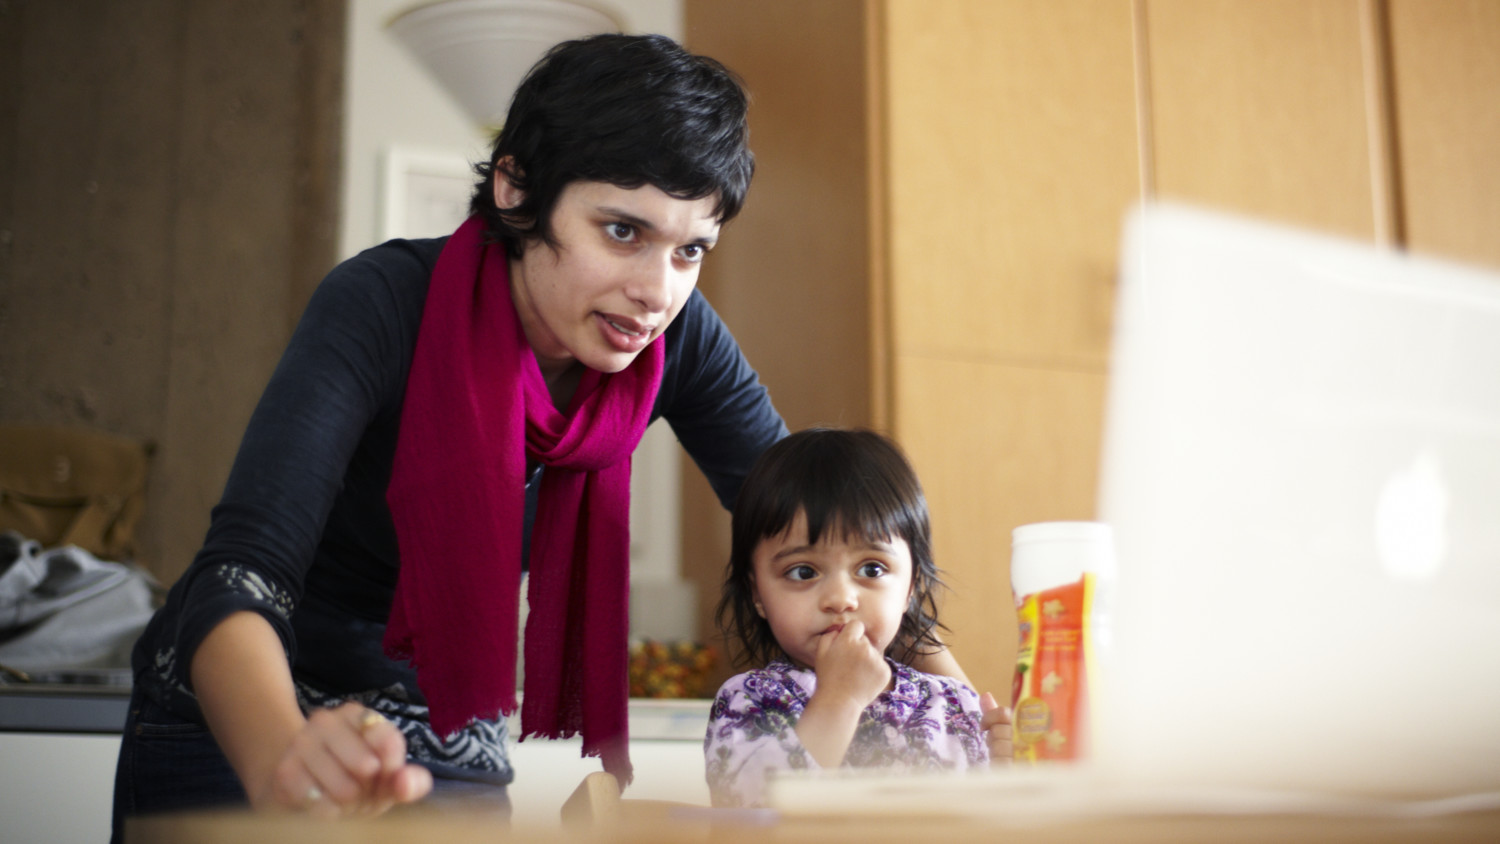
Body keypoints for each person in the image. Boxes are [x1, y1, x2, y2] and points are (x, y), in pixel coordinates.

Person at [110, 33, 789, 839]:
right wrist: (284, 757)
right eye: (621, 232)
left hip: (445, 722)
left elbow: (822, 521)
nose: (656, 290)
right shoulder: (382, 303)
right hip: (249, 715)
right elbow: (240, 572)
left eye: (690, 250)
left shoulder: (677, 338)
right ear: (515, 189)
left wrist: (958, 709)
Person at [704, 428, 1013, 808]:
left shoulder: (951, 703)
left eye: (871, 569)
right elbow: (753, 816)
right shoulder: (750, 701)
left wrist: (1007, 774)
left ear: (912, 586)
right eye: (803, 572)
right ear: (757, 594)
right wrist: (839, 700)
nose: (840, 599)